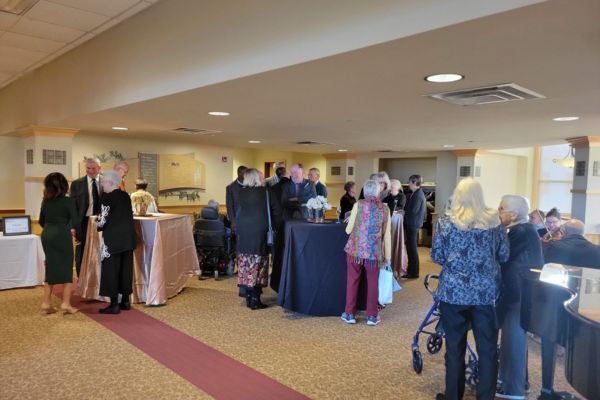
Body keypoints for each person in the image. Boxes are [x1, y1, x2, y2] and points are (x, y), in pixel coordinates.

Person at [430, 178, 509, 400]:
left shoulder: (445, 221)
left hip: (453, 294)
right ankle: (486, 396)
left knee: (454, 348)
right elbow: (504, 254)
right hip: (486, 294)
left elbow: (437, 256)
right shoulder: (495, 222)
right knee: (488, 350)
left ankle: (453, 396)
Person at [496, 195, 544, 400]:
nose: (498, 211)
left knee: (513, 340)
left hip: (517, 294)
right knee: (511, 339)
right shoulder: (524, 230)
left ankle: (513, 388)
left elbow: (501, 257)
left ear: (513, 214)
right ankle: (514, 382)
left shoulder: (520, 232)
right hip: (521, 293)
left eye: (501, 208)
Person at [341, 179, 391, 326]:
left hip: (355, 251)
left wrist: (352, 220)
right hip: (374, 254)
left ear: (366, 191)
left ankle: (349, 314)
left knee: (352, 281)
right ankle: (372, 316)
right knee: (373, 283)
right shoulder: (385, 209)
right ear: (378, 191)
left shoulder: (359, 205)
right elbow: (387, 235)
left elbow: (348, 230)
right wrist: (387, 257)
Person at [235, 168, 281, 309]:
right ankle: (255, 299)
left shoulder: (240, 193)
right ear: (256, 178)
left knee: (246, 264)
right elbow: (277, 212)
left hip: (244, 234)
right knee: (259, 264)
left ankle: (249, 296)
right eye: (261, 177)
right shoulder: (266, 192)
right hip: (260, 234)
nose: (263, 179)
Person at [39, 173, 79, 314]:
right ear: (64, 185)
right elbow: (76, 220)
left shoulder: (45, 201)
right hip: (62, 234)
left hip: (47, 234)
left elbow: (41, 221)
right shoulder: (68, 201)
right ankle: (66, 304)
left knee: (50, 267)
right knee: (67, 268)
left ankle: (46, 303)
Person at [97, 170, 136, 314]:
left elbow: (102, 220)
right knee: (126, 271)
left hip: (112, 240)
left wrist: (96, 224)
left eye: (103, 181)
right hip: (128, 239)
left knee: (110, 271)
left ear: (109, 182)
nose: (101, 184)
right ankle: (125, 301)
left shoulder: (107, 197)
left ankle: (114, 305)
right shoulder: (125, 196)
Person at [70, 158, 102, 276]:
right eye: (88, 168)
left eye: (93, 168)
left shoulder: (105, 182)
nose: (90, 171)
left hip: (101, 222)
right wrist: (72, 226)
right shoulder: (77, 184)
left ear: (99, 168)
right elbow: (72, 207)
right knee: (82, 251)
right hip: (83, 222)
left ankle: (98, 278)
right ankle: (81, 278)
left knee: (100, 251)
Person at [403, 174, 426, 279]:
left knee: (412, 249)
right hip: (411, 223)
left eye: (409, 182)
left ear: (414, 183)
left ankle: (414, 272)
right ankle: (410, 270)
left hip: (413, 223)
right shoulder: (415, 193)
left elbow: (413, 211)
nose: (408, 184)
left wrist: (404, 213)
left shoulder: (418, 194)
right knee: (410, 247)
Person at [226, 165, 246, 233]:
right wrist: (233, 222)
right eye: (245, 173)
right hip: (237, 220)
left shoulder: (250, 185)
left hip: (249, 220)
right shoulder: (230, 187)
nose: (247, 175)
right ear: (239, 174)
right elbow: (229, 206)